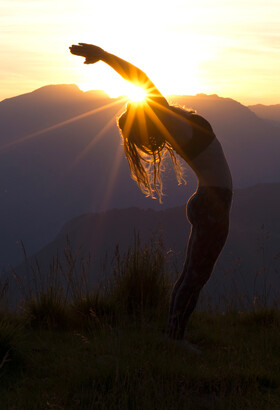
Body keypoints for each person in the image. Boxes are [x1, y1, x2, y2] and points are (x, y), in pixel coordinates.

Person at [69, 43, 233, 340]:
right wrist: (105, 57)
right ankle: (174, 339)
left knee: (193, 275)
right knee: (196, 276)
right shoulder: (170, 122)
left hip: (209, 202)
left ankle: (174, 336)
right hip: (212, 204)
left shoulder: (173, 121)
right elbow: (141, 77)